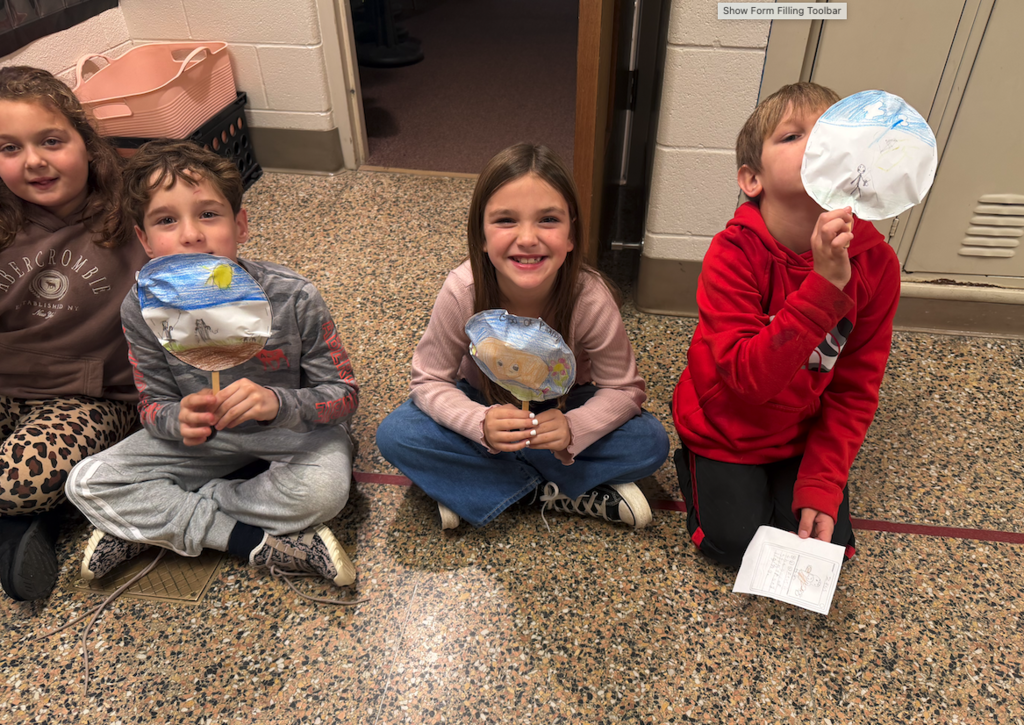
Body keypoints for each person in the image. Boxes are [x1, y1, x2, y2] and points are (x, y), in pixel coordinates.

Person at [66, 140, 359, 587]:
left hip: (288, 433)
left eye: (208, 213)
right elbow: (152, 405)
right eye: (167, 220)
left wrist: (277, 403)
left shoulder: (294, 296)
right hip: (205, 442)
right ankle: (250, 539)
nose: (191, 234)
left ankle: (157, 523)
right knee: (86, 482)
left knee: (327, 490)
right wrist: (176, 419)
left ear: (239, 224)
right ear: (144, 240)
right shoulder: (141, 309)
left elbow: (343, 396)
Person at [376, 143, 669, 531]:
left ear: (571, 235)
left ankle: (476, 488)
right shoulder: (462, 290)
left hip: (563, 406)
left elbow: (624, 390)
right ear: (480, 235)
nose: (528, 238)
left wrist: (573, 429)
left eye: (548, 219)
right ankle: (565, 491)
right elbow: (429, 380)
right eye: (505, 220)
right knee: (397, 435)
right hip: (484, 402)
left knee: (649, 441)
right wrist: (478, 422)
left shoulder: (590, 296)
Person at [671, 82, 901, 566]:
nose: (818, 145)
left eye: (832, 136)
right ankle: (693, 461)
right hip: (726, 424)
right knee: (732, 546)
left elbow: (856, 388)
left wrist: (823, 480)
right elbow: (746, 380)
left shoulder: (878, 266)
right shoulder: (731, 254)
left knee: (825, 550)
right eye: (794, 136)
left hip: (801, 428)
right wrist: (822, 286)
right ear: (752, 179)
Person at [0, 66, 149, 601]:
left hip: (93, 396)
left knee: (19, 481)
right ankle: (33, 519)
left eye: (51, 141)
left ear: (85, 143)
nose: (33, 161)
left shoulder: (135, 212)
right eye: (8, 148)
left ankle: (25, 514)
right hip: (8, 383)